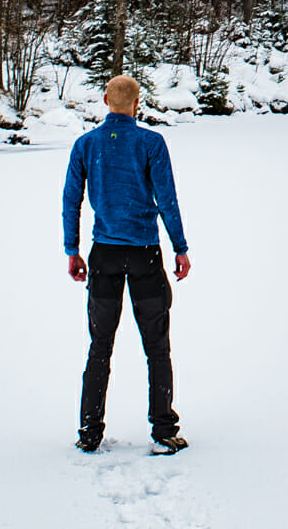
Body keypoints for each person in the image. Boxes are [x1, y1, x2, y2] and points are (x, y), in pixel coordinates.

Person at [63, 73, 191, 454]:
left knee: (100, 345)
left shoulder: (86, 144)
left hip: (103, 254)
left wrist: (73, 250)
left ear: (106, 100)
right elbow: (167, 199)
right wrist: (180, 248)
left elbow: (71, 200)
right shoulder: (151, 142)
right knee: (157, 347)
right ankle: (164, 431)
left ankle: (89, 432)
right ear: (137, 104)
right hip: (145, 255)